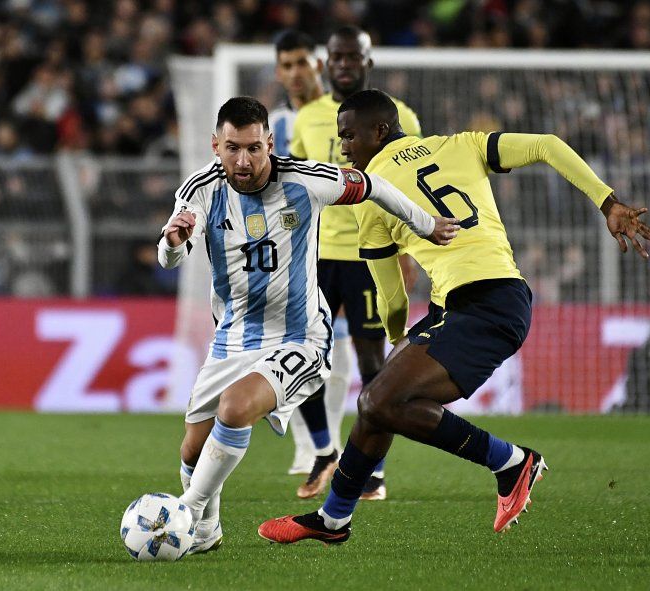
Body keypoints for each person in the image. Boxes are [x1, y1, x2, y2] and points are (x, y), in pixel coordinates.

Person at [258, 89, 650, 543]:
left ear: (381, 131)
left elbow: (389, 293)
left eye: (349, 135)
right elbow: (547, 144)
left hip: (484, 306)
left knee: (377, 401)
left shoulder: (372, 195)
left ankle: (510, 462)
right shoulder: (462, 144)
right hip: (486, 299)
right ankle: (333, 519)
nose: (343, 147)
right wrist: (607, 202)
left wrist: (397, 335)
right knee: (377, 407)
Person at [159, 96, 458, 554]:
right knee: (191, 453)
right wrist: (173, 243)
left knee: (236, 408)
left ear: (270, 143)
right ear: (216, 145)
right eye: (233, 148)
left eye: (254, 148)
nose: (244, 160)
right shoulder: (199, 189)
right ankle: (205, 531)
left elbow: (374, 185)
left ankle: (185, 512)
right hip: (233, 336)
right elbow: (173, 250)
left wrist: (423, 224)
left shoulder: (306, 180)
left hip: (300, 334)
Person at [287, 25, 423, 501]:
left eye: (353, 56)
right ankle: (324, 452)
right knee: (298, 356)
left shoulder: (399, 115)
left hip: (371, 254)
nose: (344, 64)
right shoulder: (307, 118)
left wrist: (405, 253)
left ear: (369, 60)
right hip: (316, 256)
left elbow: (409, 190)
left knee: (373, 364)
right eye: (337, 56)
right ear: (327, 62)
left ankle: (374, 471)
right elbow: (296, 186)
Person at [269, 29, 354, 477]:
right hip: (295, 250)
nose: (295, 72)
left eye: (302, 62)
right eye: (286, 65)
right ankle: (309, 448)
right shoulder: (275, 127)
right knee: (298, 349)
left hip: (348, 247)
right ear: (278, 72)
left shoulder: (349, 114)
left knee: (339, 348)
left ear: (318, 65)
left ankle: (330, 444)